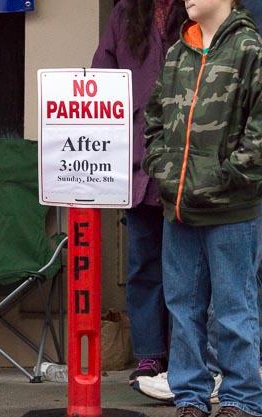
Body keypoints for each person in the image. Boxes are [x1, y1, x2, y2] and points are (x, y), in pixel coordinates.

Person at [133, 0, 262, 405]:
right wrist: (165, 173)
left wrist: (225, 177)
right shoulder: (177, 52)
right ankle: (189, 399)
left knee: (234, 307)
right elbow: (153, 121)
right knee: (183, 309)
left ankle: (242, 400)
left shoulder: (249, 49)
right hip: (180, 208)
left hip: (232, 210)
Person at [91, 0, 188, 384]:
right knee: (144, 265)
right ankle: (150, 356)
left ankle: (186, 358)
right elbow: (101, 80)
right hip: (138, 161)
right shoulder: (125, 12)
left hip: (188, 166)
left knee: (188, 271)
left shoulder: (201, 7)